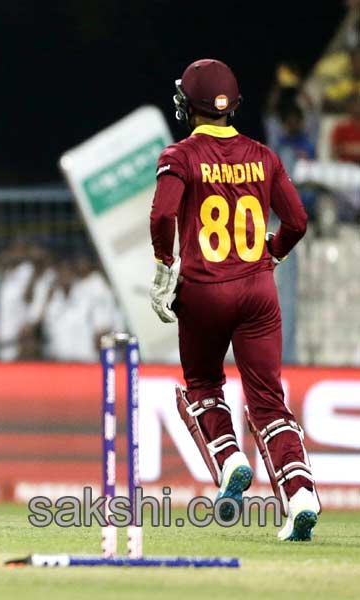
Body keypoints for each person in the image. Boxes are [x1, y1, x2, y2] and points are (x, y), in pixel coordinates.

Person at [149, 59, 317, 541]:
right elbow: (298, 221)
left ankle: (229, 460)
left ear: (190, 106)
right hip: (258, 290)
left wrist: (164, 267)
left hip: (204, 289)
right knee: (269, 403)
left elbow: (162, 217)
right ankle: (301, 495)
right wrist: (271, 254)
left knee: (202, 384)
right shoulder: (263, 155)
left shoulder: (179, 155)